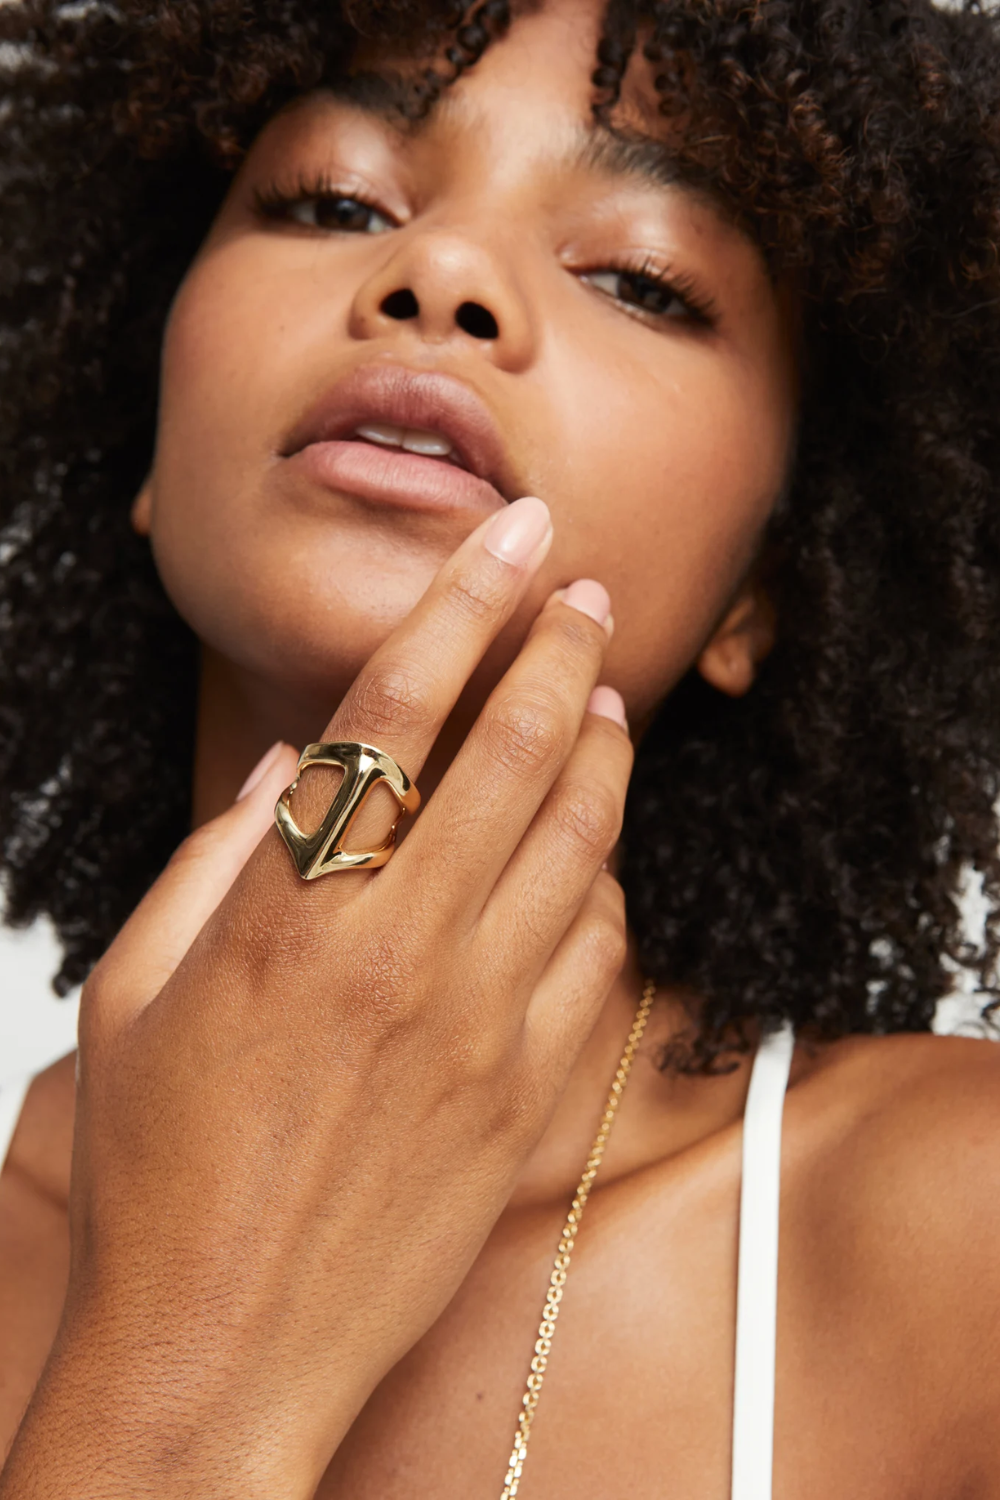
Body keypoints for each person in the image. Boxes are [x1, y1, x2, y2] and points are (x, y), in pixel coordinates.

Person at [2, 0, 1000, 1492]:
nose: (447, 273)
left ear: (768, 588)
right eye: (334, 200)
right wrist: (183, 1354)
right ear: (144, 426)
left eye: (642, 280)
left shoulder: (961, 1240)